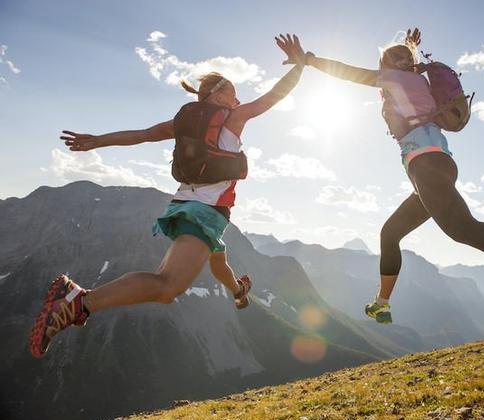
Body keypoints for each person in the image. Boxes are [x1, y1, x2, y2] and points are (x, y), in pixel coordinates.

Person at [278, 30, 484, 330]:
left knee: (463, 228)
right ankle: (382, 303)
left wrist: (309, 59)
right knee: (391, 233)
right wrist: (409, 49)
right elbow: (403, 69)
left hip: (426, 165)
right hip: (432, 166)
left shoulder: (394, 78)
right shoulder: (415, 79)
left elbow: (350, 73)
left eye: (386, 61)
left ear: (388, 66)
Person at [29, 34, 307, 358]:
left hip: (188, 207)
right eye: (232, 91)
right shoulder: (232, 118)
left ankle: (239, 292)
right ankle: (79, 301)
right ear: (217, 95)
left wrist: (98, 141)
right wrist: (300, 65)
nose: (237, 98)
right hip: (205, 212)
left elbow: (142, 135)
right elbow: (274, 96)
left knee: (219, 259)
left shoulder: (184, 122)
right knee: (166, 287)